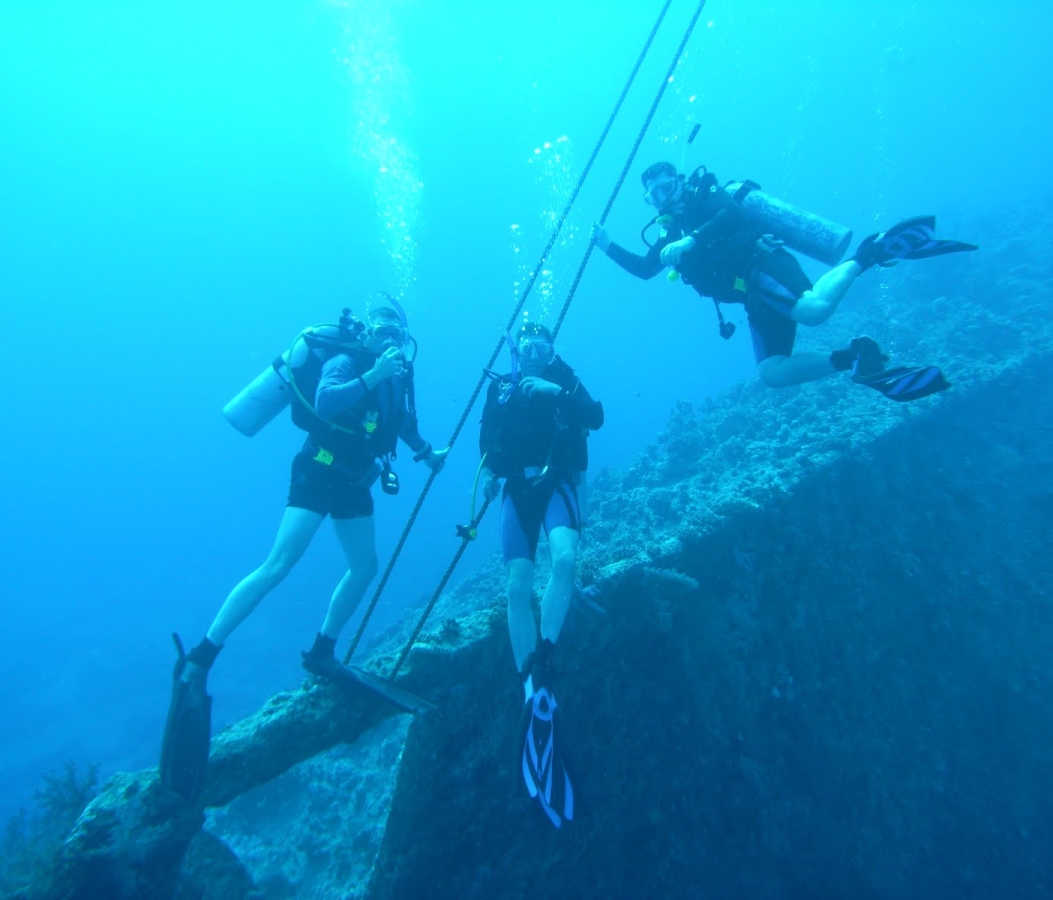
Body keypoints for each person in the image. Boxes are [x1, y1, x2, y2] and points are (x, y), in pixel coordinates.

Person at [159, 301, 447, 803]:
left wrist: (426, 453)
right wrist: (373, 371)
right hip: (319, 464)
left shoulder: (400, 373)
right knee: (280, 564)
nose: (386, 335)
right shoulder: (349, 359)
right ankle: (201, 658)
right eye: (379, 327)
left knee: (364, 567)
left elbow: (400, 422)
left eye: (394, 329)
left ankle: (322, 651)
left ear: (404, 335)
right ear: (367, 332)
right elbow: (327, 400)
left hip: (357, 475)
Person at [592, 161, 977, 402]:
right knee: (772, 373)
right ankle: (855, 356)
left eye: (667, 187)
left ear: (679, 181)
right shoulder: (670, 230)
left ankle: (870, 253)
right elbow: (645, 269)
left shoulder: (705, 194)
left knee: (813, 310)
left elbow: (730, 217)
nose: (662, 197)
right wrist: (607, 245)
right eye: (653, 194)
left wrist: (692, 238)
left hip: (763, 264)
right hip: (751, 296)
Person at [477, 322, 604, 827]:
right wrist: (486, 474)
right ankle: (530, 683)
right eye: (526, 347)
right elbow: (487, 439)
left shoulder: (563, 378)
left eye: (542, 346)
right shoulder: (499, 387)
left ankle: (543, 659)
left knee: (567, 561)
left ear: (551, 349)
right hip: (515, 492)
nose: (533, 354)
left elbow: (595, 416)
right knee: (515, 586)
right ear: (514, 351)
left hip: (556, 487)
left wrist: (556, 388)